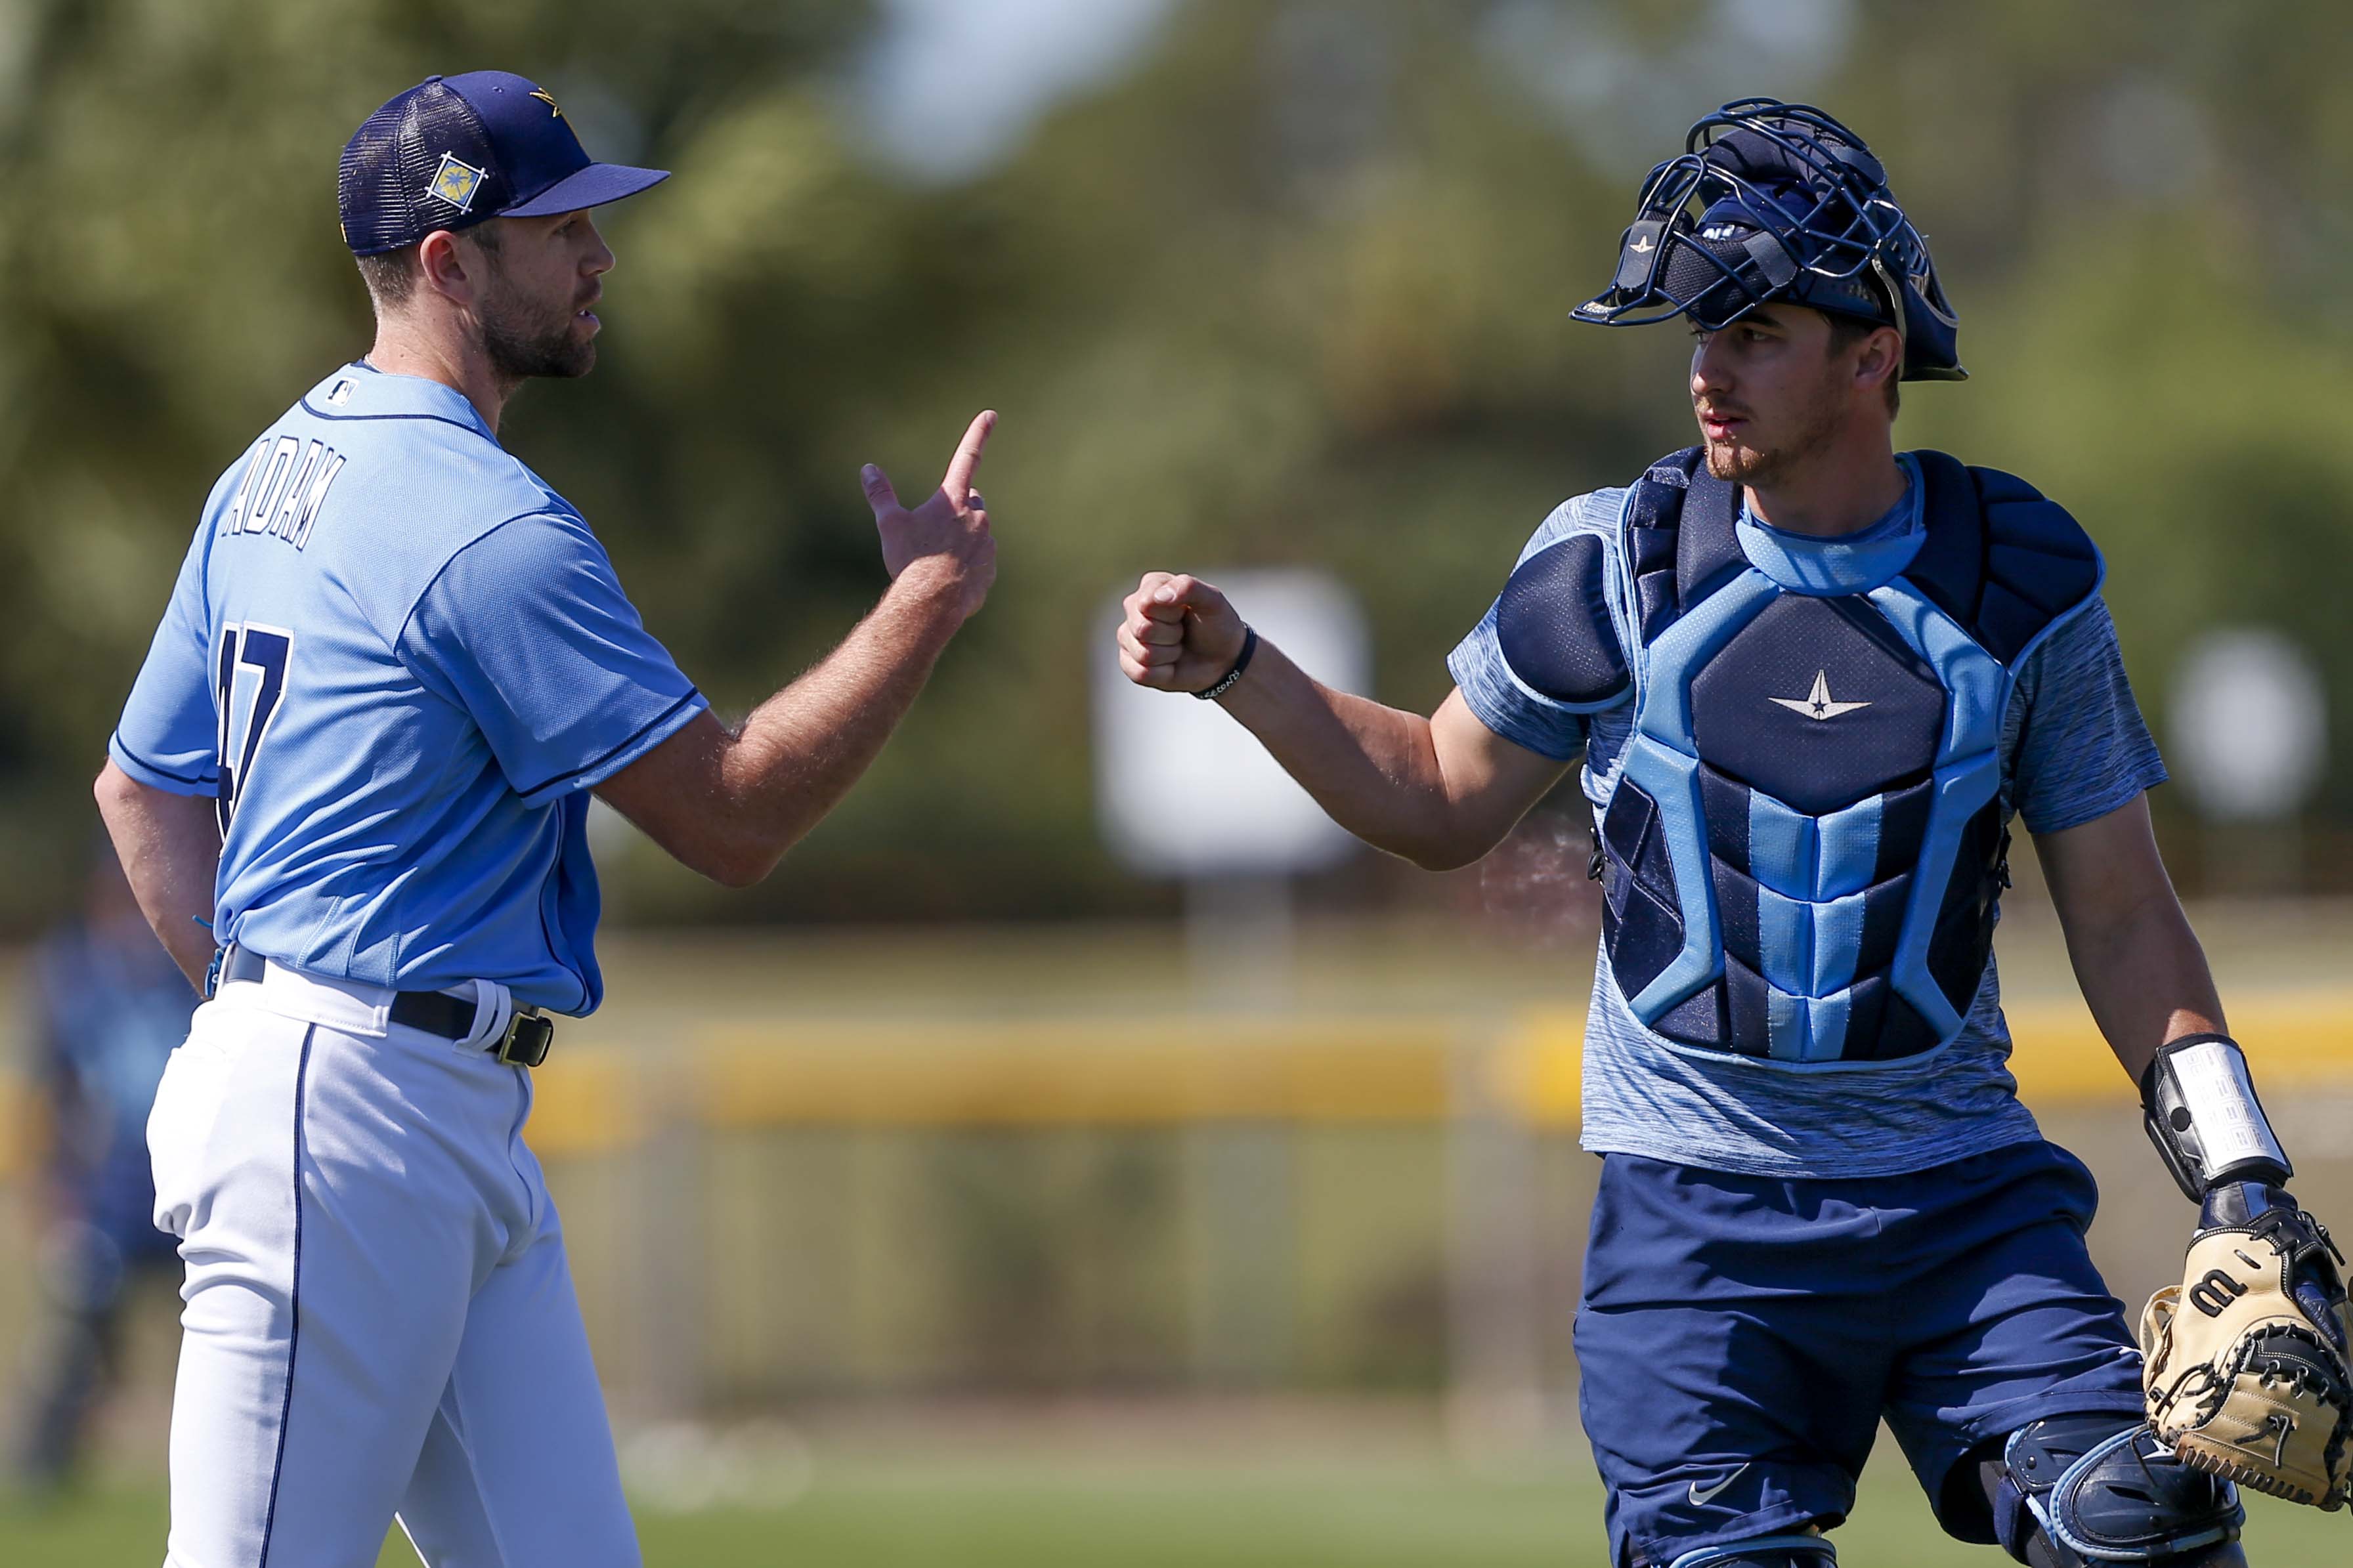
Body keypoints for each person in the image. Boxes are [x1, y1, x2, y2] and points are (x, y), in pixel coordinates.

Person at [1116, 100, 2346, 1568]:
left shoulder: (2019, 580)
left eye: (1755, 328)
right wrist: (1243, 667)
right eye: (1694, 329)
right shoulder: (1609, 566)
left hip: (1960, 1201)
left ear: (1872, 350)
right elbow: (1435, 799)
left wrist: (2243, 1180)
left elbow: (2127, 914)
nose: (1707, 368)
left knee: (2138, 1528)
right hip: (1694, 1225)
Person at [95, 70, 995, 1565]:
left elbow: (143, 784)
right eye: (557, 226)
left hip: (405, 1102)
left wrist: (261, 1015)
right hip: (349, 1112)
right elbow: (731, 816)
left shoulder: (272, 471)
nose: (600, 256)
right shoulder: (479, 523)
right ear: (450, 261)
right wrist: (925, 605)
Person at [6, 850, 191, 1491]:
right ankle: (43, 1475)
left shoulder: (191, 965)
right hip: (105, 1198)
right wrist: (53, 1197)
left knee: (226, 1350)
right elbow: (48, 1096)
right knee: (71, 1349)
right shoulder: (72, 973)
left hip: (190, 1193)